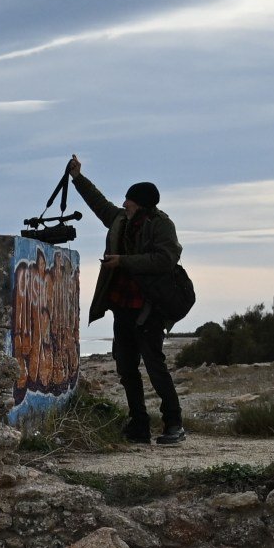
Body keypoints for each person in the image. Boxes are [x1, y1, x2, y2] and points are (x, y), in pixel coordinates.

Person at [66, 155, 186, 445]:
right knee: (126, 367)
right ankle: (139, 425)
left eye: (128, 200)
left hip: (148, 307)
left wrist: (123, 261)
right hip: (122, 306)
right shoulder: (120, 220)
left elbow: (166, 259)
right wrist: (78, 178)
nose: (123, 204)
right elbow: (99, 204)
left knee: (155, 365)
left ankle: (174, 424)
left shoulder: (161, 225)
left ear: (141, 203)